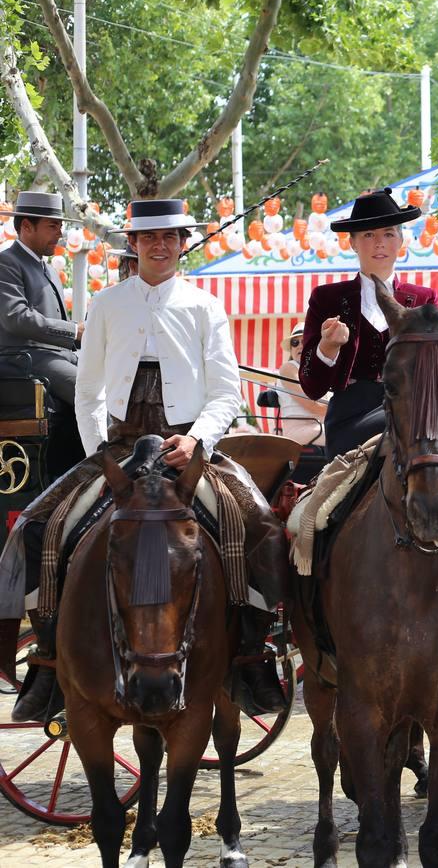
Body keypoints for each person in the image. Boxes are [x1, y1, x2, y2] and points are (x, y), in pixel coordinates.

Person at [0, 198, 289, 721]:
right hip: (117, 447)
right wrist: (100, 456)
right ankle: (46, 664)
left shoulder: (207, 307)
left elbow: (226, 393)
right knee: (39, 527)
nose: (160, 245)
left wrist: (197, 441)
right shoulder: (107, 305)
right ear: (133, 243)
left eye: (170, 236)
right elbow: (87, 392)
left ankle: (251, 656)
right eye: (149, 237)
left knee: (264, 525)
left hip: (188, 449)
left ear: (182, 243)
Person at [298, 188, 438, 577]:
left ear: (401, 242)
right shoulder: (328, 298)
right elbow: (312, 386)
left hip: (419, 409)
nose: (379, 244)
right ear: (352, 243)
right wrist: (326, 349)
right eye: (369, 236)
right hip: (354, 414)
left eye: (388, 234)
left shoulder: (423, 297)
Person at [0, 191, 84, 476]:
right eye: (53, 225)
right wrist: (74, 331)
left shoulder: (48, 269)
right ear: (26, 226)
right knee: (91, 390)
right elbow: (15, 318)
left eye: (60, 226)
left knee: (113, 379)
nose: (60, 233)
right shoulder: (7, 263)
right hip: (24, 360)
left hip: (57, 357)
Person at [276, 323, 325, 446]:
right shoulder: (288, 368)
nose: (299, 346)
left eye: (304, 341)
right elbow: (312, 405)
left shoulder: (321, 371)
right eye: (295, 343)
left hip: (319, 427)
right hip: (298, 431)